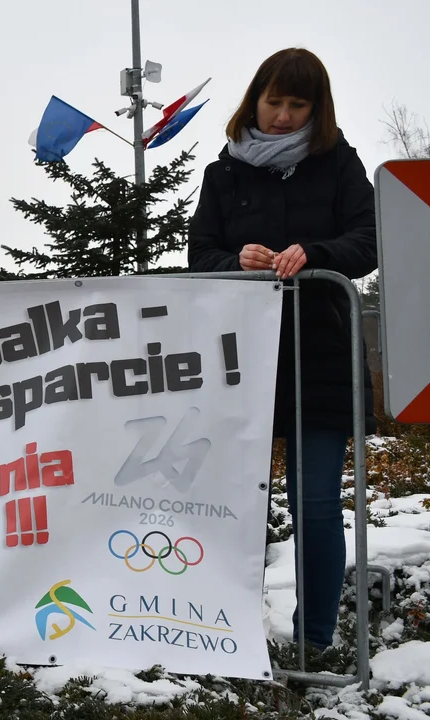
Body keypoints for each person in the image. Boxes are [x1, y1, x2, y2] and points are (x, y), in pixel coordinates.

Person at [186, 48, 377, 650]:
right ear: (255, 99)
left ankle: (314, 642)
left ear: (317, 110)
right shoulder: (222, 175)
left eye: (299, 105)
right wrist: (233, 262)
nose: (284, 115)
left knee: (316, 507)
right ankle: (217, 634)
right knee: (226, 508)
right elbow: (202, 256)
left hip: (320, 362)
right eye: (275, 101)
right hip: (237, 365)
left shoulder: (342, 166)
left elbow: (370, 241)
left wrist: (315, 255)